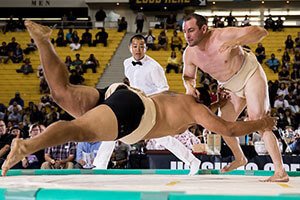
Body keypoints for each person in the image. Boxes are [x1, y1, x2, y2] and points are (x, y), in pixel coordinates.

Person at [1, 21, 277, 177]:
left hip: (122, 95)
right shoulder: (196, 111)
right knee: (80, 129)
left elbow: (201, 104)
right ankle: (27, 146)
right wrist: (262, 123)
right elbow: (228, 129)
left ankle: (43, 41)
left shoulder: (185, 100)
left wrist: (215, 104)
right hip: (136, 116)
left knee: (61, 93)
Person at [182, 14, 288, 182]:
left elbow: (261, 32)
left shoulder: (222, 35)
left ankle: (280, 171)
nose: (187, 35)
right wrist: (190, 87)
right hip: (230, 86)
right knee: (223, 124)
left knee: (258, 120)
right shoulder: (189, 54)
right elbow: (188, 76)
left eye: (191, 30)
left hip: (250, 74)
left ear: (203, 29)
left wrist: (237, 42)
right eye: (185, 31)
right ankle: (240, 158)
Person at [95, 35, 200, 176]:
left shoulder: (154, 67)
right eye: (135, 46)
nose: (138, 49)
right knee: (113, 129)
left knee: (164, 139)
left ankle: (193, 161)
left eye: (141, 46)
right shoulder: (126, 63)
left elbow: (164, 89)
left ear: (146, 48)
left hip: (152, 107)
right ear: (130, 48)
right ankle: (99, 165)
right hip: (133, 103)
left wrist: (147, 100)